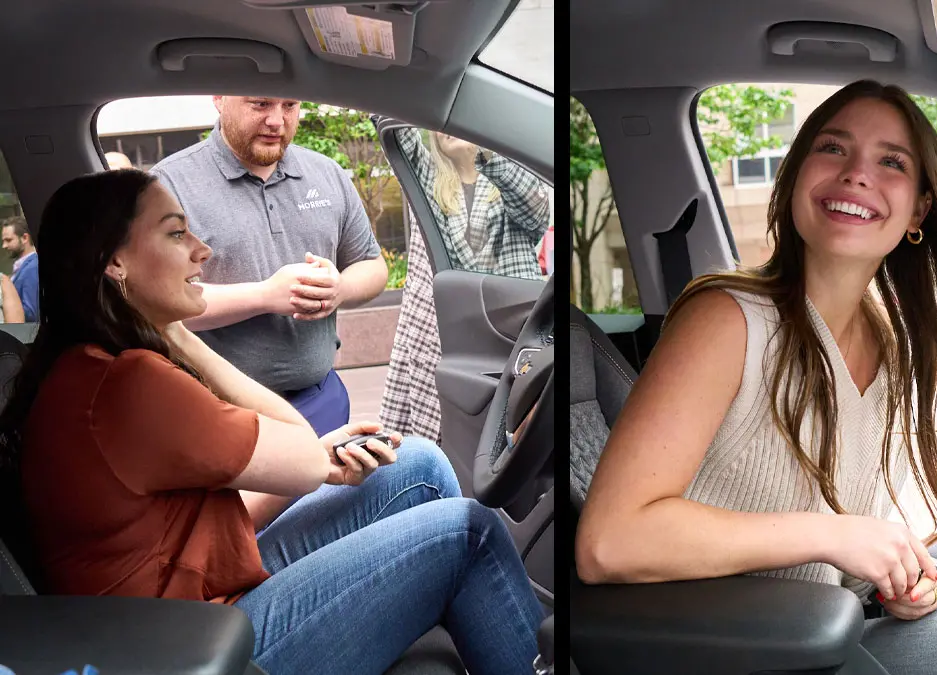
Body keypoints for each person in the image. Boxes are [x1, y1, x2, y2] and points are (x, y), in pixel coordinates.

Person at [575, 80, 937, 674]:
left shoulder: (888, 340)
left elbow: (841, 548)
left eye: (891, 162)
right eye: (832, 148)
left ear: (919, 209)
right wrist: (834, 535)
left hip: (825, 615)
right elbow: (610, 543)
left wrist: (896, 580)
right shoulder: (725, 320)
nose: (856, 174)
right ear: (796, 174)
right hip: (742, 647)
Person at [0, 169, 544, 675]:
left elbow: (192, 525)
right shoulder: (129, 382)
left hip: (182, 607)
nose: (202, 251)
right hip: (196, 646)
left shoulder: (83, 365)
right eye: (175, 234)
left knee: (417, 464)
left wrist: (313, 465)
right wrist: (179, 334)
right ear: (114, 263)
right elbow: (302, 450)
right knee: (468, 533)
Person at [150, 96, 389, 436]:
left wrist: (340, 288)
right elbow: (158, 302)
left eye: (289, 105)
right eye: (260, 104)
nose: (277, 120)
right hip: (216, 411)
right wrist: (265, 296)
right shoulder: (167, 185)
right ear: (219, 98)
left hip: (321, 398)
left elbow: (372, 266)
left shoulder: (327, 174)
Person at [379, 128, 549, 441]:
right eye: (439, 125)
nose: (446, 130)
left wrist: (485, 148)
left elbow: (535, 208)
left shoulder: (510, 179)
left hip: (510, 329)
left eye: (456, 123)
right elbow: (395, 126)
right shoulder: (427, 183)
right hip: (452, 335)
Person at [1, 216, 38, 322]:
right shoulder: (22, 266)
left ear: (25, 238)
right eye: (3, 241)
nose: (4, 246)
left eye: (8, 240)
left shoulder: (32, 268)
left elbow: (32, 313)